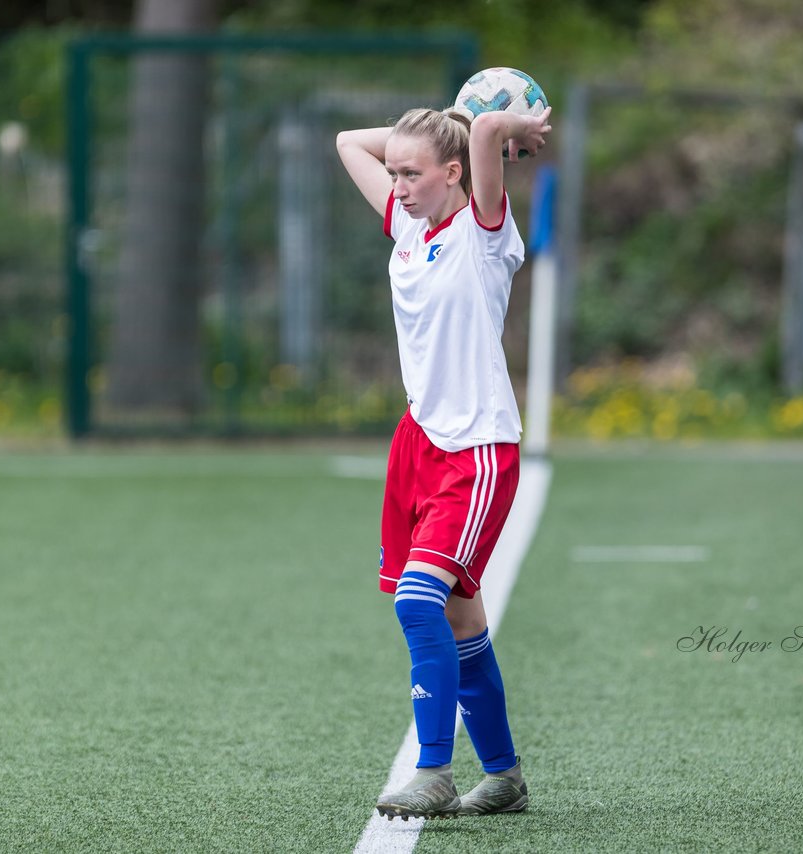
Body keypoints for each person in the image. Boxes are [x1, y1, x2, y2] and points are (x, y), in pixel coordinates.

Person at [335, 101, 552, 821]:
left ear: (453, 174)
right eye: (393, 172)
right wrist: (440, 116)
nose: (396, 184)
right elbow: (346, 142)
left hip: (475, 451)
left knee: (418, 601)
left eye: (412, 173)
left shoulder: (483, 233)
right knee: (461, 621)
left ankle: (433, 770)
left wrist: (502, 121)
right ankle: (505, 776)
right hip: (418, 445)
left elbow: (487, 135)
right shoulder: (408, 230)